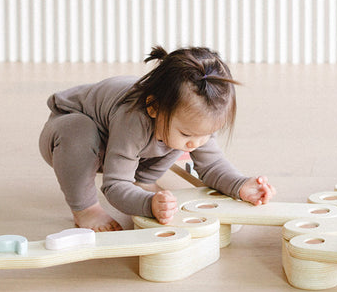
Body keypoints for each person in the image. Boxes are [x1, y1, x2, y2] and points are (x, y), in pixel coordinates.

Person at [39, 46, 275, 231]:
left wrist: (239, 185)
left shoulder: (187, 123)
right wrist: (147, 205)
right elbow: (114, 185)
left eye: (207, 134)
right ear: (153, 107)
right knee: (80, 133)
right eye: (188, 133)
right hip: (68, 132)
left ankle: (143, 180)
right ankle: (85, 208)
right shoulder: (133, 119)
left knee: (173, 141)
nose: (196, 144)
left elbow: (212, 165)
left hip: (120, 140)